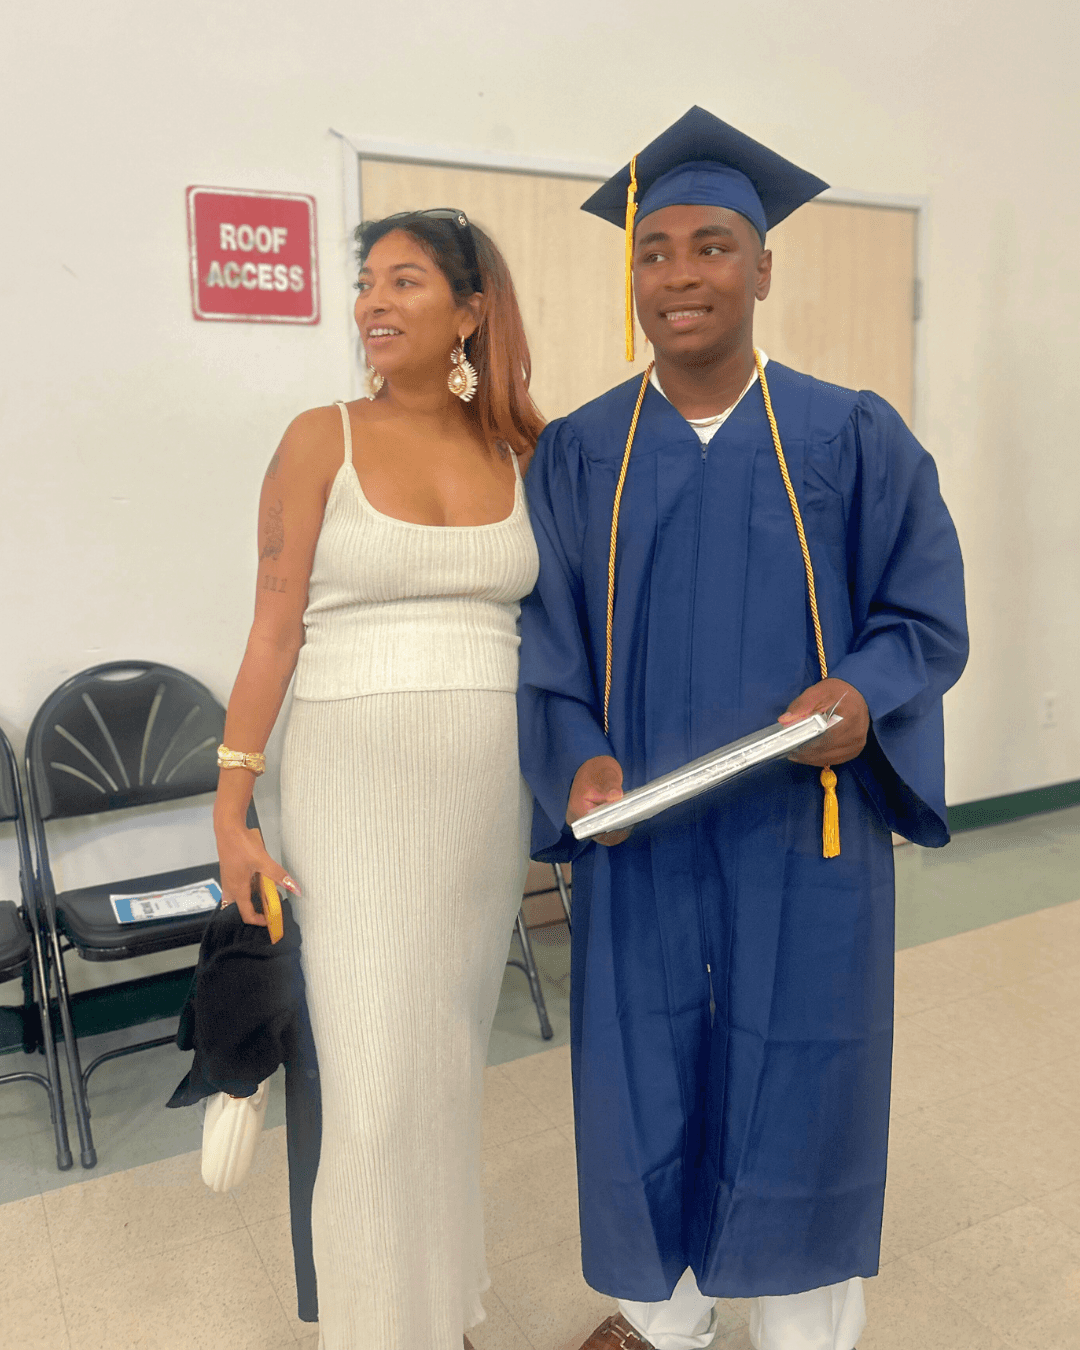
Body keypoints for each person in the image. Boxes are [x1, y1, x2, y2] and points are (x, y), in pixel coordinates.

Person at [517, 107, 968, 1350]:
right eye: (654, 253)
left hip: (800, 834)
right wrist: (576, 759)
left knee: (804, 1075)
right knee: (641, 1081)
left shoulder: (849, 433)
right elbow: (545, 647)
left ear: (763, 266)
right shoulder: (579, 455)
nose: (679, 276)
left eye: (711, 246)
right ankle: (665, 1326)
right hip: (641, 842)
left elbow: (922, 613)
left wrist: (862, 696)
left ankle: (807, 1331)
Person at [212, 207, 544, 1350]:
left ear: (471, 308)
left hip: (481, 799)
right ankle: (366, 1328)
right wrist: (232, 809)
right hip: (350, 787)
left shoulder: (521, 450)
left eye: (405, 280)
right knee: (370, 1080)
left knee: (448, 1060)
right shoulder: (322, 438)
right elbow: (270, 633)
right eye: (366, 283)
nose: (372, 304)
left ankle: (438, 1310)